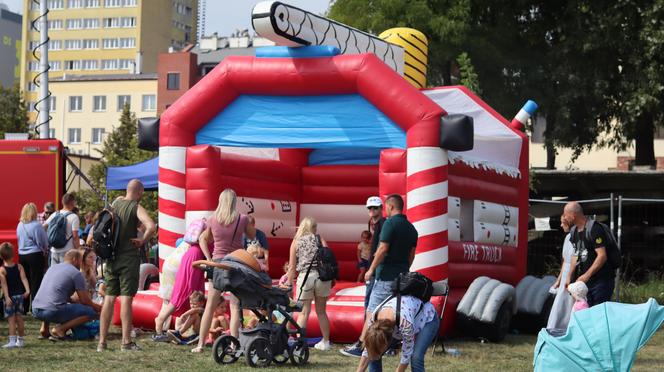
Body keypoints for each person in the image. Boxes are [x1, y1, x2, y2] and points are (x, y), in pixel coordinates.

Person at [343, 195, 415, 357]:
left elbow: (382, 249)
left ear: (390, 207)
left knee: (372, 311)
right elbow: (412, 254)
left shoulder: (389, 223)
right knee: (392, 312)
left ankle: (361, 344)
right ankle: (389, 345)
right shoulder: (411, 228)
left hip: (385, 276)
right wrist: (405, 269)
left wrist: (370, 270)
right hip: (401, 276)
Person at [193, 188, 255, 353]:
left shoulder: (212, 220)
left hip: (218, 264)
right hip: (236, 264)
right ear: (234, 202)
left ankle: (200, 344)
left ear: (220, 201)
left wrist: (208, 258)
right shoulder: (242, 219)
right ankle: (234, 345)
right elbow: (252, 235)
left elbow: (202, 239)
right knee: (235, 307)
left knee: (210, 306)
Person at [98, 179, 156, 352]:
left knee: (108, 298)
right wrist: (143, 240)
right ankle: (126, 342)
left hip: (111, 259)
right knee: (126, 299)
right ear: (139, 192)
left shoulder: (115, 204)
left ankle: (102, 342)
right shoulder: (135, 207)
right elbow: (151, 226)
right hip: (128, 259)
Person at [153, 221, 207, 342]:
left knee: (182, 297)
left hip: (183, 261)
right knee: (182, 296)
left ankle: (177, 329)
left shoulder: (189, 243)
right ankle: (162, 321)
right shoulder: (205, 236)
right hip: (191, 261)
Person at [357, 294, 439, 372]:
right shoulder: (374, 319)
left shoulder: (405, 323)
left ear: (387, 343)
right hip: (403, 317)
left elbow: (406, 355)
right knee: (373, 353)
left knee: (416, 357)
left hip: (428, 318)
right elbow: (369, 349)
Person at [286, 216, 333, 351]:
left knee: (303, 313)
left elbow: (292, 266)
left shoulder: (296, 241)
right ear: (312, 228)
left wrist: (289, 283)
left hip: (305, 277)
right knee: (321, 312)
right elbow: (329, 258)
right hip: (322, 277)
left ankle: (300, 343)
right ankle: (325, 341)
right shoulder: (319, 239)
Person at [31, 249, 101, 340]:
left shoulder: (52, 268)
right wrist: (96, 306)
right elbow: (84, 300)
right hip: (52, 311)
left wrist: (72, 300)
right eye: (80, 260)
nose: (80, 263)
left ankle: (44, 329)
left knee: (50, 301)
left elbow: (54, 292)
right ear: (75, 259)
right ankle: (60, 329)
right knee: (92, 312)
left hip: (35, 309)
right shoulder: (76, 273)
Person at [563, 202, 615, 306]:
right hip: (585, 284)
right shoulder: (574, 232)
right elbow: (576, 254)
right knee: (587, 314)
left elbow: (602, 256)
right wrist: (569, 276)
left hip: (601, 282)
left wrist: (586, 275)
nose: (564, 218)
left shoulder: (595, 229)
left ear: (573, 215)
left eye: (565, 214)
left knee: (599, 314)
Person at [16, 202, 49, 310]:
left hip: (22, 255)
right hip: (35, 255)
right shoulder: (37, 225)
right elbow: (44, 241)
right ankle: (35, 306)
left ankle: (24, 306)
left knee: (24, 280)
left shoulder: (20, 225)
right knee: (36, 281)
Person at [547, 216, 576, 329]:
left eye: (562, 223)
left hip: (572, 274)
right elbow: (565, 261)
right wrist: (558, 280)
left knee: (570, 303)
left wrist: (570, 276)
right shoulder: (567, 237)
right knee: (560, 302)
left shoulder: (577, 238)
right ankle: (554, 327)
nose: (560, 225)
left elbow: (575, 259)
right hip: (565, 274)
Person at [0, 243, 30, 348]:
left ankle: (12, 341)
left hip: (10, 298)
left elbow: (4, 286)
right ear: (13, 254)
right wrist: (27, 290)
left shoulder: (2, 270)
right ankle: (20, 340)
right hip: (20, 296)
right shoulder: (19, 266)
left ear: (1, 256)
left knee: (11, 320)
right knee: (20, 318)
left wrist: (7, 297)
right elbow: (24, 278)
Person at [43, 193, 81, 265]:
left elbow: (44, 226)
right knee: (65, 274)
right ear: (72, 203)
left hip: (54, 250)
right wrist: (78, 250)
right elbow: (75, 236)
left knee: (54, 274)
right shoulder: (74, 217)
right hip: (67, 251)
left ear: (62, 202)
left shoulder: (55, 214)